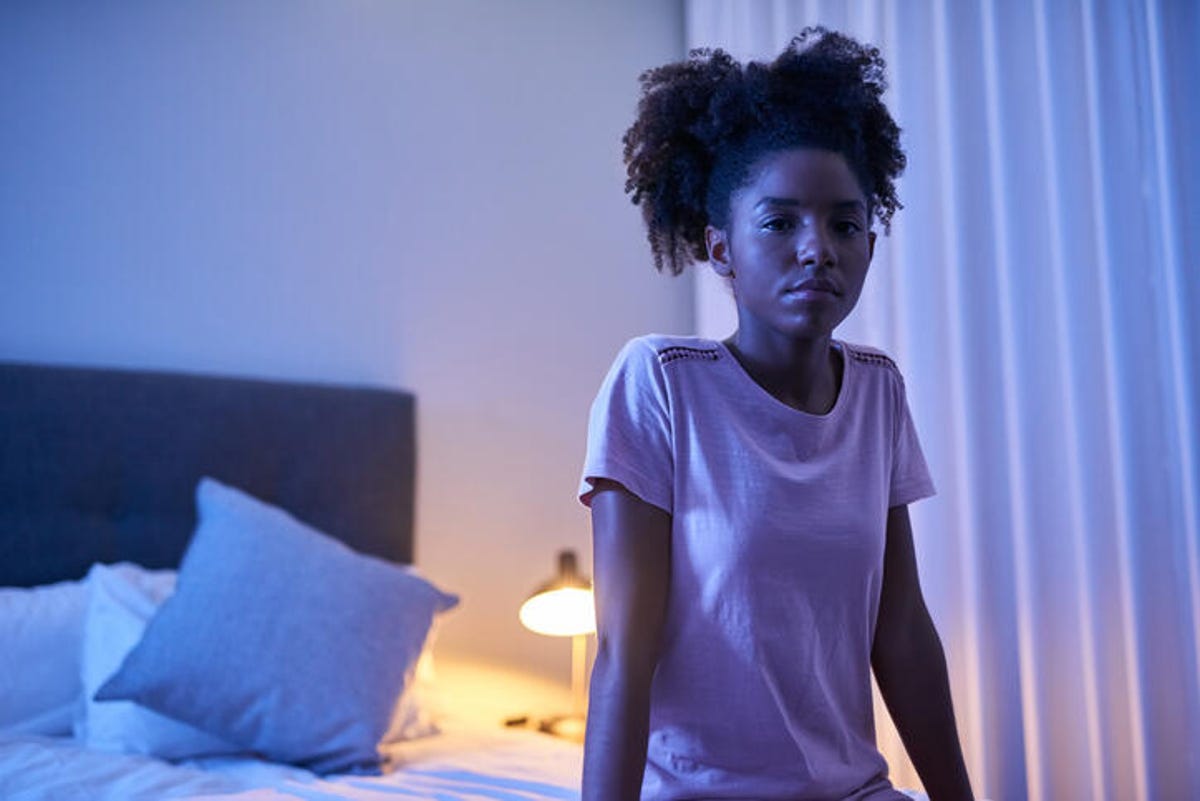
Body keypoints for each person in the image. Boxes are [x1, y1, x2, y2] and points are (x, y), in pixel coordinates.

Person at [577, 28, 975, 801]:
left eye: (844, 223)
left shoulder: (879, 391)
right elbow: (623, 653)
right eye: (781, 221)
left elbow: (902, 635)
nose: (817, 248)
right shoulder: (660, 384)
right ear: (720, 249)